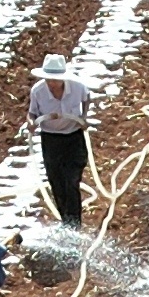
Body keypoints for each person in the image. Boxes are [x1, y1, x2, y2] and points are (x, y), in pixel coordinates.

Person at [25, 59, 94, 225]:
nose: (52, 83)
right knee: (56, 181)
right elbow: (32, 113)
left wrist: (83, 117)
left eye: (55, 80)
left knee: (71, 180)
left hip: (73, 137)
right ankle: (65, 219)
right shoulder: (38, 91)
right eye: (49, 80)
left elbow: (87, 97)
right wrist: (31, 122)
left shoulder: (77, 87)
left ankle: (75, 223)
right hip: (51, 139)